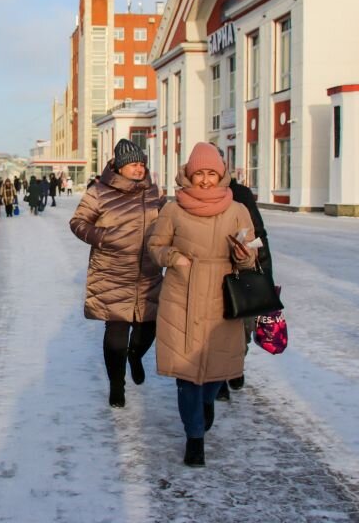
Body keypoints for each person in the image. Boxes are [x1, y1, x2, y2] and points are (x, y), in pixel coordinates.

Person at [146, 142, 258, 467]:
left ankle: (207, 402)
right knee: (186, 372)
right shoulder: (173, 209)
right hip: (182, 294)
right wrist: (173, 258)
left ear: (221, 174)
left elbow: (251, 253)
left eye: (211, 173)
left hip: (223, 296)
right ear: (189, 174)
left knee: (215, 370)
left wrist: (244, 256)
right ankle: (194, 438)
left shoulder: (237, 209)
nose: (205, 180)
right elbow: (155, 246)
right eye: (199, 174)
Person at [69, 139, 163, 409]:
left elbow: (168, 221)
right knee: (116, 334)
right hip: (112, 272)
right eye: (134, 164)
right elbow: (77, 222)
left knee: (148, 328)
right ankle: (116, 385)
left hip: (148, 273)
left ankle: (135, 357)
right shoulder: (99, 192)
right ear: (120, 167)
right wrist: (104, 237)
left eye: (142, 164)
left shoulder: (154, 192)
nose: (139, 169)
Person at [215, 146, 274, 400]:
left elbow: (258, 233)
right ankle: (218, 382)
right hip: (213, 273)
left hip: (245, 271)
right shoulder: (189, 199)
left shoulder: (240, 193)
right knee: (214, 329)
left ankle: (235, 365)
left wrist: (266, 275)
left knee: (244, 327)